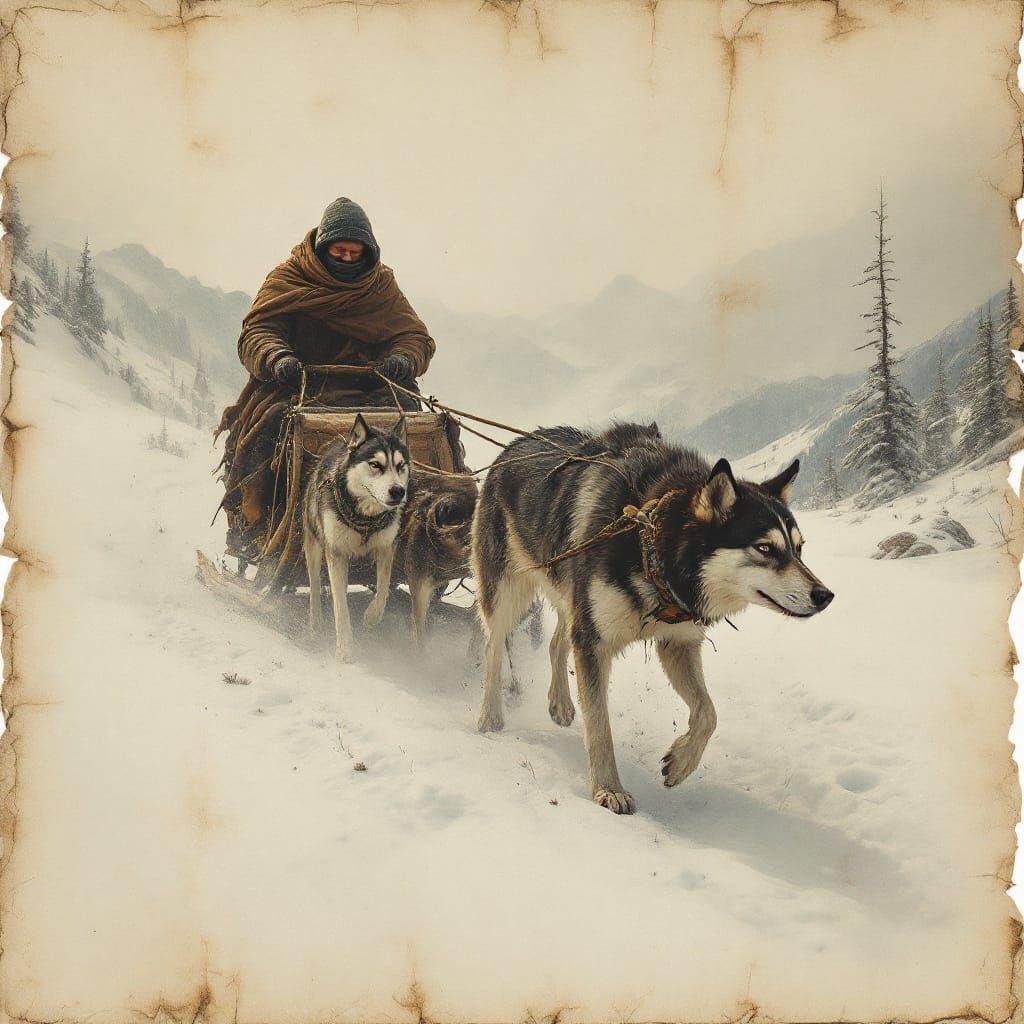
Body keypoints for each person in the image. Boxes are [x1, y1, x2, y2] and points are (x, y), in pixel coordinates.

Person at [216, 197, 436, 560]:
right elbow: (258, 331)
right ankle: (255, 524)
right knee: (266, 429)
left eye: (355, 251)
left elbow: (414, 337)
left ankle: (429, 522)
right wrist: (278, 358)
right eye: (339, 250)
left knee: (423, 426)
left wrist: (401, 359)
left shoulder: (380, 286)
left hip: (371, 388)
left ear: (369, 251)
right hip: (300, 387)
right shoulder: (289, 279)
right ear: (322, 247)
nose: (348, 258)